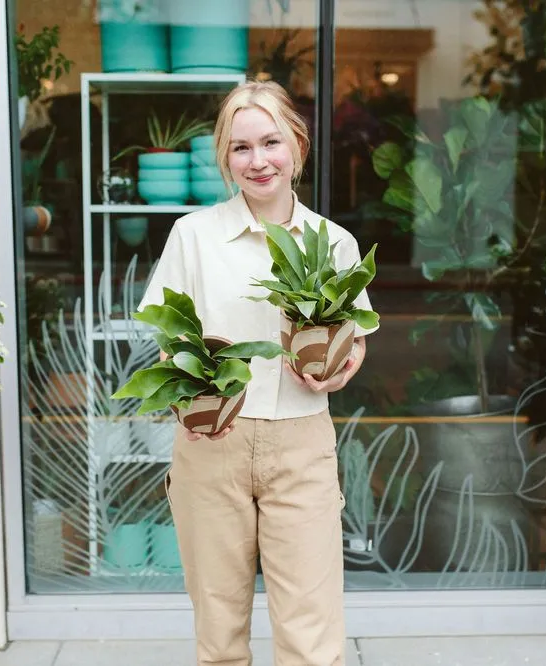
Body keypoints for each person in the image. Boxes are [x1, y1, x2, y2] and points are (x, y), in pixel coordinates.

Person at [137, 79, 378, 666]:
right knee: (218, 626)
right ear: (225, 158)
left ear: (296, 145)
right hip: (212, 444)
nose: (258, 160)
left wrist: (340, 371)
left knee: (310, 627)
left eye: (270, 142)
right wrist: (185, 403)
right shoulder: (194, 236)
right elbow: (170, 343)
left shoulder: (334, 241)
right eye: (240, 148)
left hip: (301, 444)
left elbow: (355, 340)